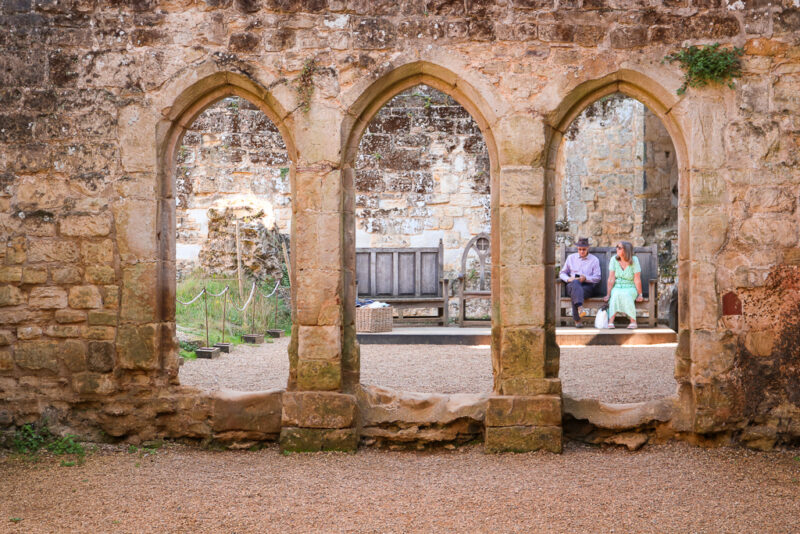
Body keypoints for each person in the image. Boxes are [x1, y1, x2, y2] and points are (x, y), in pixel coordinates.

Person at [559, 237, 601, 328]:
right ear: (577, 248)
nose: (581, 251)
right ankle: (580, 308)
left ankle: (577, 319)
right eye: (580, 249)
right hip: (571, 284)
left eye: (584, 249)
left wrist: (586, 278)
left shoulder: (594, 260)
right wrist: (568, 279)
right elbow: (562, 273)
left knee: (576, 292)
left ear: (588, 248)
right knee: (575, 284)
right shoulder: (571, 258)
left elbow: (597, 277)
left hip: (587, 287)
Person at [603, 241, 644, 329]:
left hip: (630, 286)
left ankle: (633, 321)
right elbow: (611, 278)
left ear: (626, 250)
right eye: (617, 247)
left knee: (626, 294)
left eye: (619, 247)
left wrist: (640, 294)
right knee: (616, 294)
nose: (616, 249)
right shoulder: (614, 259)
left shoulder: (634, 260)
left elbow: (637, 279)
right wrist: (608, 294)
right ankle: (611, 321)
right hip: (617, 286)